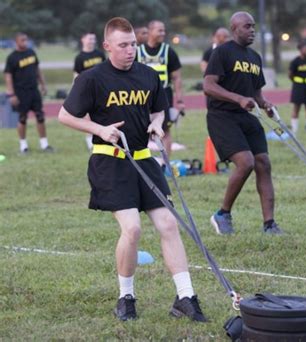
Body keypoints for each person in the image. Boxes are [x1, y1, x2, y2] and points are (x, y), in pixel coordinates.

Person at [58, 17, 207, 322]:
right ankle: (126, 297)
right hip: (109, 161)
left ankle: (185, 297)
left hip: (143, 159)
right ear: (107, 46)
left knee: (168, 224)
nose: (130, 51)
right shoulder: (92, 79)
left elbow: (158, 108)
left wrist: (155, 124)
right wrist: (99, 129)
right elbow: (64, 115)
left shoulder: (149, 75)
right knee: (133, 228)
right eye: (123, 45)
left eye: (133, 45)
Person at [203, 11, 283, 235]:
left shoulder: (255, 57)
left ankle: (269, 224)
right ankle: (222, 214)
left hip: (248, 117)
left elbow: (256, 93)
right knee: (246, 162)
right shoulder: (222, 53)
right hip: (222, 117)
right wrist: (237, 99)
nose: (252, 30)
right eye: (247, 26)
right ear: (234, 29)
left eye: (253, 26)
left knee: (263, 163)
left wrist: (265, 105)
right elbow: (208, 86)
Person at [136, 20, 184, 155]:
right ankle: (143, 161)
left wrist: (180, 100)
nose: (163, 33)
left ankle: (166, 163)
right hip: (142, 97)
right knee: (140, 128)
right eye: (159, 30)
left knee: (164, 129)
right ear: (150, 31)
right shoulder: (138, 52)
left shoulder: (169, 51)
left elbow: (177, 78)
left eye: (164, 30)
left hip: (163, 96)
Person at [4, 32, 54, 154]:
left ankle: (44, 144)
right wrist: (11, 94)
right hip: (21, 92)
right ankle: (23, 146)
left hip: (34, 91)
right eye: (22, 40)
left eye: (26, 40)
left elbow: (37, 70)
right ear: (16, 42)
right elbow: (8, 76)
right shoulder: (12, 57)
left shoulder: (31, 52)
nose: (25, 42)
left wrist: (43, 84)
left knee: (40, 117)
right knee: (22, 118)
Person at [73, 32, 106, 151]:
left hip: (101, 88)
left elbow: (106, 70)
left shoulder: (100, 54)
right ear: (83, 39)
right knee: (87, 116)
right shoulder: (80, 57)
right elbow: (76, 75)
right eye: (89, 38)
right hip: (87, 89)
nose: (92, 41)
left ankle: (103, 136)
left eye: (94, 38)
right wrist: (76, 90)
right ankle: (89, 140)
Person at [288, 40, 306, 134]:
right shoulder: (295, 61)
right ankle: (294, 129)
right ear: (300, 50)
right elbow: (290, 74)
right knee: (296, 107)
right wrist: (296, 81)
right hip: (298, 87)